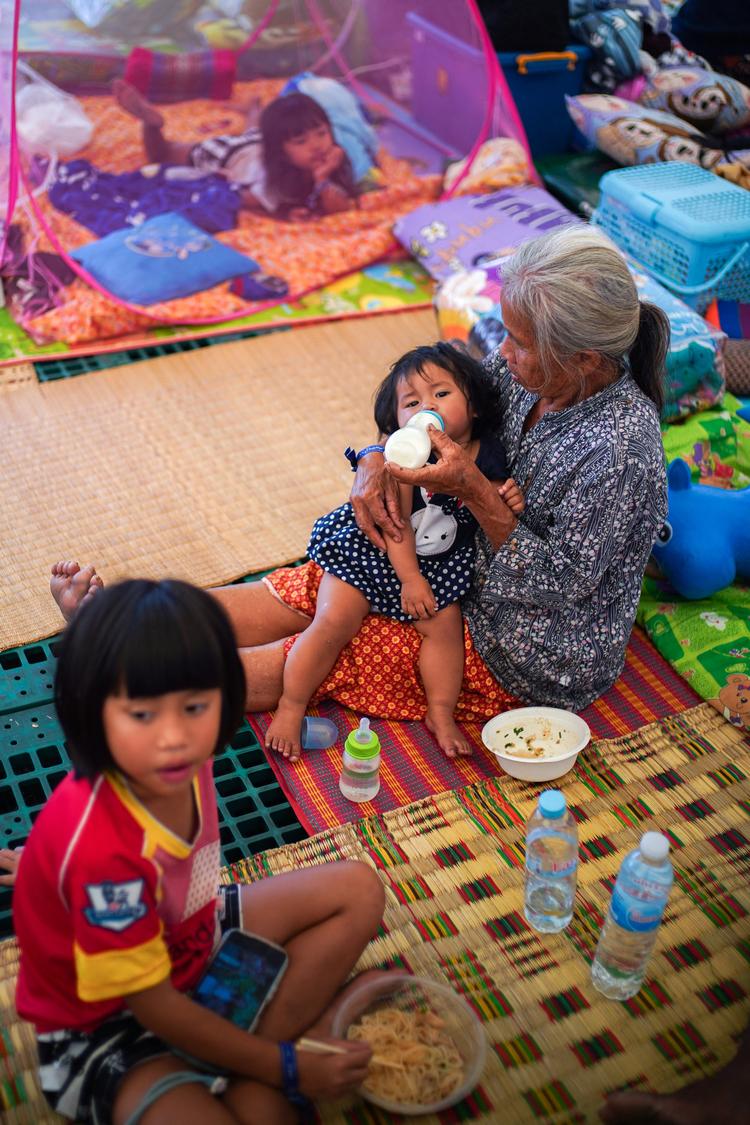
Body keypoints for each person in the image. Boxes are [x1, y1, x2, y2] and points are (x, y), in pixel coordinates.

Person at [48, 225, 670, 758]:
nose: (501, 354)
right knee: (302, 592)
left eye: (520, 344)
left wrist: (474, 490)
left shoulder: (618, 448)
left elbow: (561, 584)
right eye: (505, 335)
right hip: (439, 557)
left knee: (320, 645)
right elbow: (431, 407)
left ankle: (123, 665)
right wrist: (374, 457)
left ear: (585, 360)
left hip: (517, 640)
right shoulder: (531, 375)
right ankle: (118, 620)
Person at [14, 577, 386, 1125]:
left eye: (194, 706)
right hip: (110, 1027)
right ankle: (265, 1055)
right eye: (142, 715)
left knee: (357, 887)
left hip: (192, 934)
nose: (173, 737)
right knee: (263, 1114)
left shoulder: (179, 761)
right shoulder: (103, 860)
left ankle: (243, 1058)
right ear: (92, 715)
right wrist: (288, 1069)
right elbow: (154, 1007)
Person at [265, 342, 524, 761]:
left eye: (442, 394)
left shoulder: (489, 452)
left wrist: (506, 495)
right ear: (397, 421)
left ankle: (440, 713)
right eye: (412, 402)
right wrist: (410, 579)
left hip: (438, 564)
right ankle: (291, 705)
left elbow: (492, 497)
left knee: (446, 631)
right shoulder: (404, 458)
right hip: (375, 551)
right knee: (334, 622)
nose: (428, 408)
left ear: (473, 406)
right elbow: (394, 524)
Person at [113, 81, 359, 221]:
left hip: (260, 142)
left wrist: (324, 177)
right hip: (231, 155)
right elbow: (242, 199)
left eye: (322, 134)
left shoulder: (330, 158)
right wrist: (283, 214)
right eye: (302, 141)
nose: (317, 145)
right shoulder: (271, 184)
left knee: (255, 129)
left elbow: (341, 207)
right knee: (163, 155)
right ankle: (152, 123)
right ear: (282, 151)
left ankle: (252, 107)